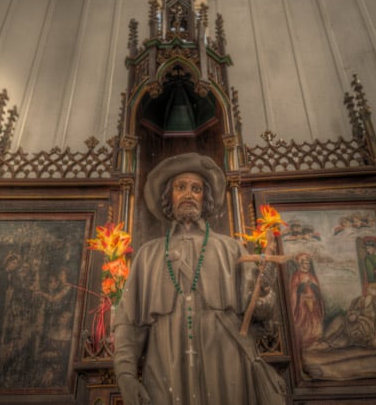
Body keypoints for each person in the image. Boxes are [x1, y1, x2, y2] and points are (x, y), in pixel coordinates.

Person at [112, 153, 286, 405]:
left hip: (226, 370)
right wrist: (126, 374)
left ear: (205, 198)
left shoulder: (232, 249)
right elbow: (128, 324)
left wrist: (265, 290)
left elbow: (261, 319)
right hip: (164, 371)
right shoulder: (148, 256)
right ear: (168, 196)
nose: (188, 194)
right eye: (180, 187)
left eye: (196, 189)